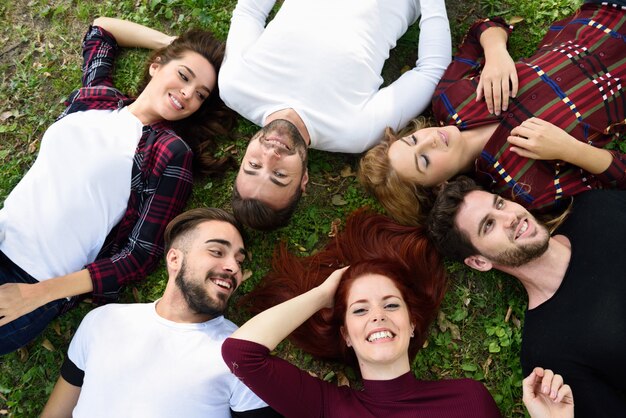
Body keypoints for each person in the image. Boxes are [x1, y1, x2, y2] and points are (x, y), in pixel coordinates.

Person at [0, 17, 236, 355]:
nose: (187, 94)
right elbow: (102, 29)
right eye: (183, 76)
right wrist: (173, 43)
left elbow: (139, 257)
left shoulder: (169, 152)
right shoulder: (99, 98)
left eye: (200, 94)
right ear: (156, 65)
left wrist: (37, 295)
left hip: (33, 280)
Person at [360, 1, 626, 226]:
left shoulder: (449, 100)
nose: (430, 140)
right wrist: (571, 150)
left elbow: (484, 27)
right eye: (425, 160)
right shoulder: (523, 187)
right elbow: (620, 177)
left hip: (604, 14)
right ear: (440, 187)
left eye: (413, 140)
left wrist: (496, 52)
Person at [220, 209, 507, 417]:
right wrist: (322, 295)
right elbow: (241, 354)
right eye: (360, 309)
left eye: (391, 304)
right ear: (345, 334)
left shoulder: (467, 399)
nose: (378, 315)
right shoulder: (328, 408)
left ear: (411, 324)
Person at [219, 0, 452, 230]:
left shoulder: (235, 86)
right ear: (304, 180)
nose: (271, 154)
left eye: (253, 164)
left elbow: (250, 11)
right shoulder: (354, 131)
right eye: (279, 174)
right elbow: (431, 71)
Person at [40, 208, 280, 418]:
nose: (234, 268)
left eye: (239, 261)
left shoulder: (240, 353)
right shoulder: (101, 320)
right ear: (174, 259)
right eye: (217, 252)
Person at [426, 176, 626, 417]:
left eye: (499, 204)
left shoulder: (596, 208)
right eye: (488, 225)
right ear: (480, 261)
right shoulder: (548, 354)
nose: (510, 218)